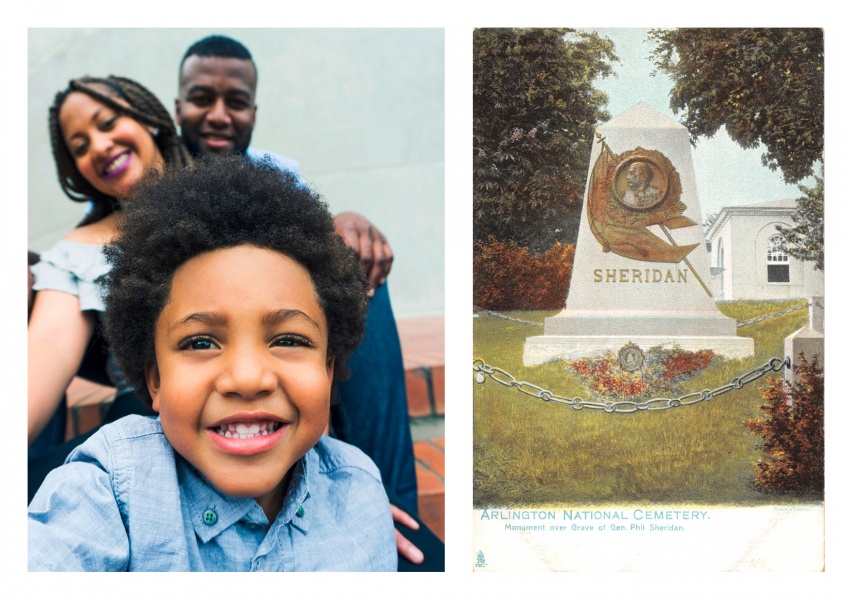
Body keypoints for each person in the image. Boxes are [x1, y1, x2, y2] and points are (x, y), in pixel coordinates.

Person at [29, 155, 397, 571]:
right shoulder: (111, 487)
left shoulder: (359, 494)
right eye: (200, 342)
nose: (246, 378)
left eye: (289, 339)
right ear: (155, 381)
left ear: (328, 372)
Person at [175, 35, 422, 543]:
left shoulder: (277, 175)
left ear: (254, 112)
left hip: (276, 343)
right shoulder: (154, 175)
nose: (220, 114)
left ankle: (392, 509)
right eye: (203, 98)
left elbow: (312, 249)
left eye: (236, 102)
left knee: (356, 271)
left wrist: (348, 222)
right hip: (198, 359)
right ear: (179, 105)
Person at [28, 76, 191, 451]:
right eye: (80, 147)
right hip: (141, 443)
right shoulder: (75, 255)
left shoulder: (236, 195)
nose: (99, 146)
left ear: (146, 117)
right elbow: (45, 351)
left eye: (107, 123)